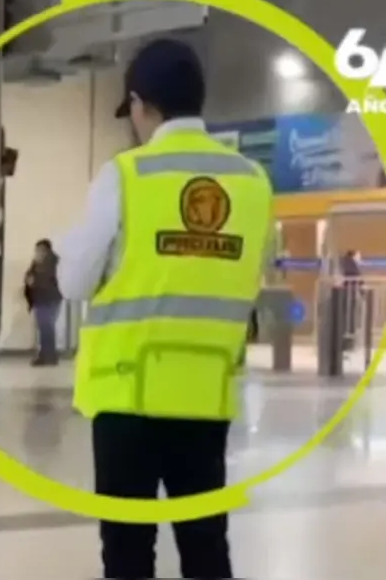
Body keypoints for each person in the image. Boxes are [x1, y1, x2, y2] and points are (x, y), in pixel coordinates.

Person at [56, 38, 273, 579]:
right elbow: (254, 274)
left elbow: (74, 281)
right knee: (206, 548)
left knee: (128, 553)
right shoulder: (251, 182)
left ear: (140, 103)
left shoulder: (126, 176)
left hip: (126, 401)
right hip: (206, 399)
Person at [24, 239, 62, 365]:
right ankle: (45, 355)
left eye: (39, 250)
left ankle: (49, 356)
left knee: (46, 329)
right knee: (44, 329)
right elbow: (29, 274)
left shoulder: (52, 263)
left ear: (46, 250)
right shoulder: (37, 262)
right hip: (40, 299)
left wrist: (34, 282)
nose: (37, 252)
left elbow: (49, 281)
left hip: (49, 299)